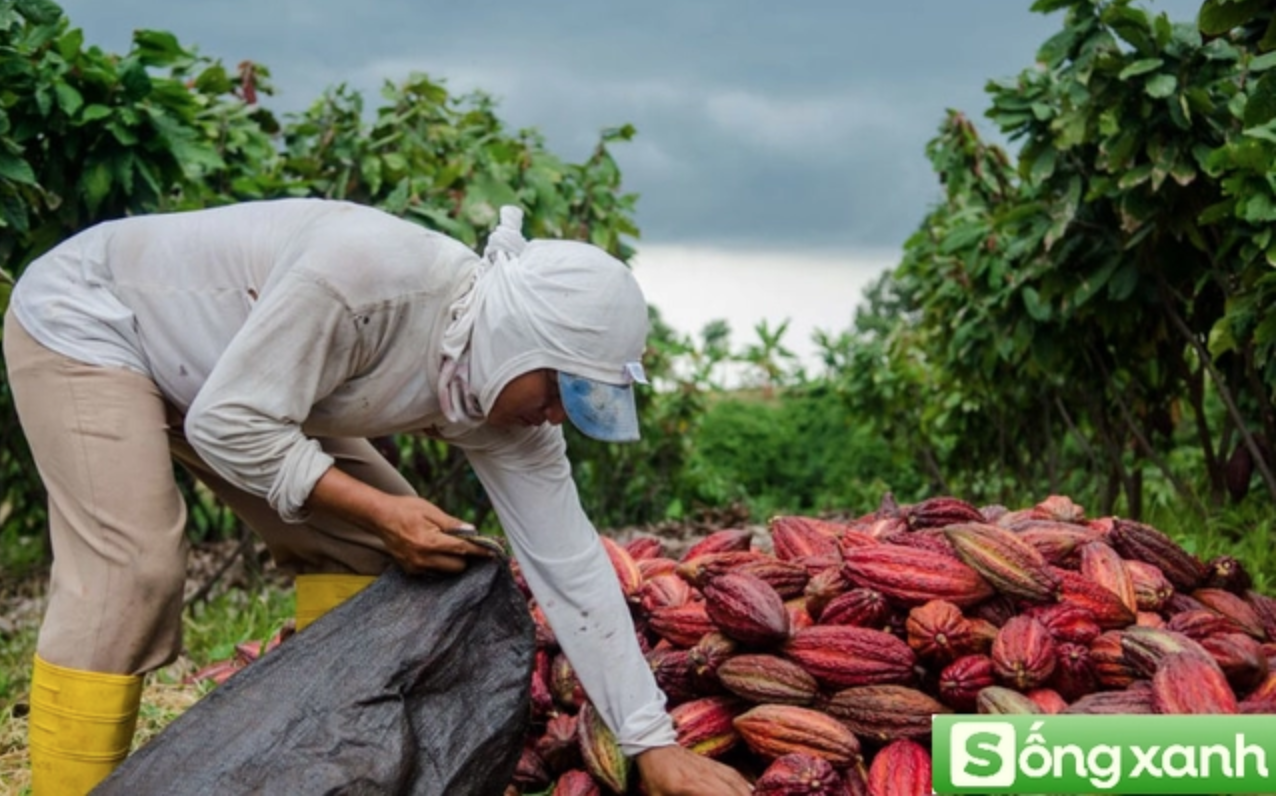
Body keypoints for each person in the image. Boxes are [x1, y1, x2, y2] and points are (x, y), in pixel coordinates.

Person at [2, 199, 753, 796]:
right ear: (521, 341)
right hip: (96, 321)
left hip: (236, 379)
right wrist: (386, 513)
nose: (558, 416)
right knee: (134, 572)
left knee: (380, 559)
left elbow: (571, 565)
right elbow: (229, 424)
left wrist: (650, 743)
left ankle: (312, 765)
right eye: (563, 391)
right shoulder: (370, 282)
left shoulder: (502, 396)